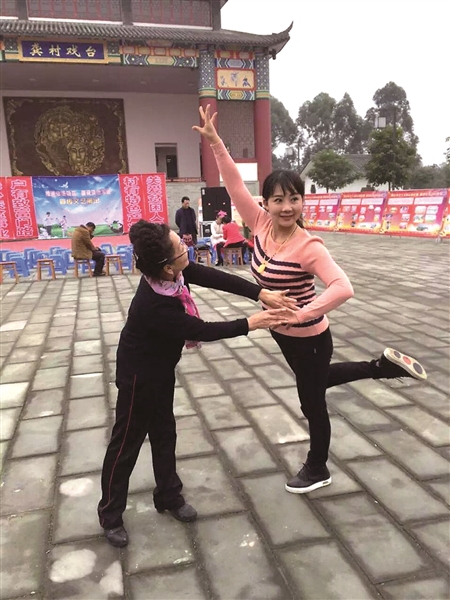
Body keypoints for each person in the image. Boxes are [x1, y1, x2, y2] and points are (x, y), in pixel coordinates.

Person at [193, 105, 427, 495]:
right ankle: (382, 367)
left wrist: (302, 314)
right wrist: (216, 143)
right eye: (278, 200)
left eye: (294, 199)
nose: (287, 207)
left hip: (310, 338)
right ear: (265, 203)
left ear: (303, 202)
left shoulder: (309, 246)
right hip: (283, 334)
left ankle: (318, 467)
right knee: (316, 381)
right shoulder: (261, 224)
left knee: (311, 400)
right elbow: (234, 185)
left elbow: (342, 287)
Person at [97, 220, 296, 548]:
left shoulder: (172, 276)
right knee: (126, 444)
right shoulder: (155, 304)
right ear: (166, 265)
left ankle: (168, 495)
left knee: (165, 433)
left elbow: (213, 277)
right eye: (181, 248)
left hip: (161, 369)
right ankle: (110, 514)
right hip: (138, 377)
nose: (186, 249)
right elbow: (201, 330)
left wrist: (260, 292)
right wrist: (251, 323)